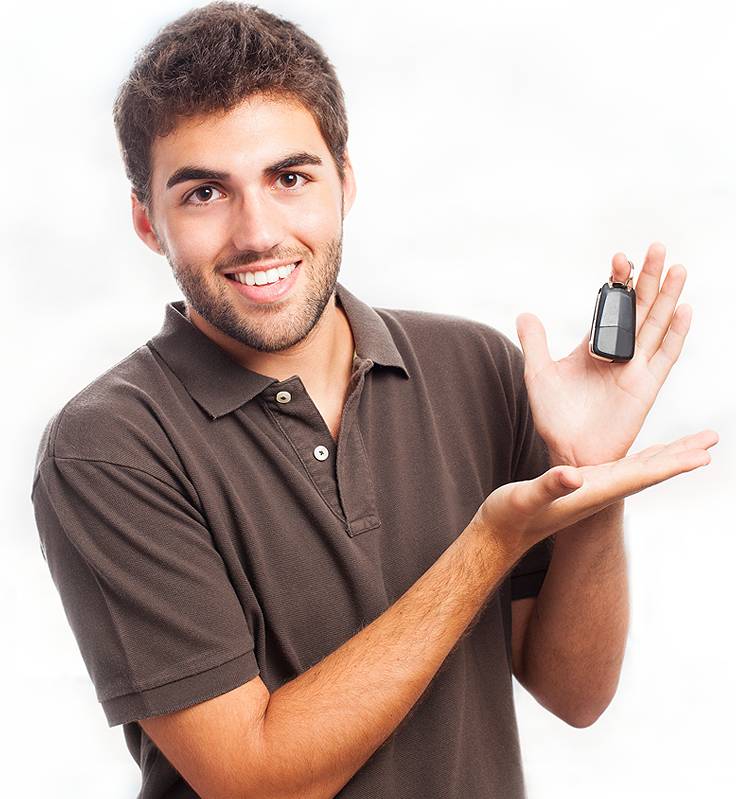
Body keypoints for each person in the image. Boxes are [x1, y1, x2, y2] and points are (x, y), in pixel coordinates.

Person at [29, 3, 717, 798]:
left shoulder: (477, 367)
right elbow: (257, 784)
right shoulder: (107, 447)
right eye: (205, 192)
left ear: (345, 181)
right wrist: (489, 541)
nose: (258, 232)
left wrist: (588, 487)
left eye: (290, 178)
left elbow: (575, 693)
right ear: (147, 221)